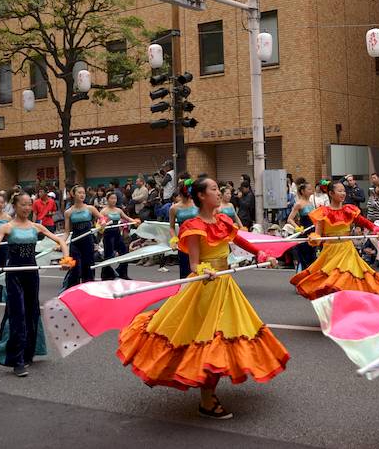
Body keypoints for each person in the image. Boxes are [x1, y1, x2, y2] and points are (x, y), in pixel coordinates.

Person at [116, 177, 289, 419]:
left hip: (225, 286)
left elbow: (241, 241)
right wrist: (203, 271)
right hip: (205, 287)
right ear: (201, 196)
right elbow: (195, 263)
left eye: (219, 189)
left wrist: (262, 253)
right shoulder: (193, 225)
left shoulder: (224, 220)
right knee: (206, 339)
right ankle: (207, 400)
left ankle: (207, 397)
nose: (220, 193)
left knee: (224, 338)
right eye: (215, 189)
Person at [0, 193, 71, 377]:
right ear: (15, 206)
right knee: (17, 315)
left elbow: (60, 240)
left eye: (29, 205)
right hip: (14, 275)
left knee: (32, 312)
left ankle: (28, 353)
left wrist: (66, 259)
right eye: (23, 205)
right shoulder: (7, 227)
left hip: (32, 274)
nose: (27, 208)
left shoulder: (36, 227)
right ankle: (17, 360)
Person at [290, 180, 379, 300]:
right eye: (339, 191)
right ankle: (336, 309)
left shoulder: (349, 210)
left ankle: (350, 308)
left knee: (347, 279)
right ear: (331, 193)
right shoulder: (323, 212)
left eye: (344, 191)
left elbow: (365, 222)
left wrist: (377, 229)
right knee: (332, 283)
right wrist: (314, 239)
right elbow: (317, 235)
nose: (343, 193)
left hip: (347, 250)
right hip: (330, 252)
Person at [62, 185, 101, 288]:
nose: (82, 195)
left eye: (83, 192)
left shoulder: (90, 208)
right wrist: (60, 243)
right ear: (73, 194)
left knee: (88, 267)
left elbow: (102, 218)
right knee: (75, 269)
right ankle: (74, 290)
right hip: (75, 242)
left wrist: (103, 223)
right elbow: (66, 232)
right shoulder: (68, 212)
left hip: (88, 241)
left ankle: (89, 290)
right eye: (79, 192)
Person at [99, 192, 136, 280]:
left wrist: (135, 221)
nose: (113, 200)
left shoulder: (118, 210)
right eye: (111, 198)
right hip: (108, 234)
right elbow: (99, 221)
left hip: (117, 234)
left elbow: (127, 218)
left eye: (115, 198)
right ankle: (106, 275)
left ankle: (122, 272)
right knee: (109, 256)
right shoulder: (104, 211)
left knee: (124, 253)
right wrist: (103, 223)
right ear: (107, 199)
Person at [169, 180, 199, 279]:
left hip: (198, 238)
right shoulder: (174, 208)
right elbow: (172, 227)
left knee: (200, 268)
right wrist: (174, 239)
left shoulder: (197, 204)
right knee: (185, 271)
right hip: (183, 240)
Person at [286, 181, 317, 271]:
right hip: (305, 232)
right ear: (303, 191)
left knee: (313, 257)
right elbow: (290, 219)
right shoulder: (299, 203)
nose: (311, 191)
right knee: (305, 257)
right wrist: (298, 228)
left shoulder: (311, 202)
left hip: (313, 232)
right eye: (309, 189)